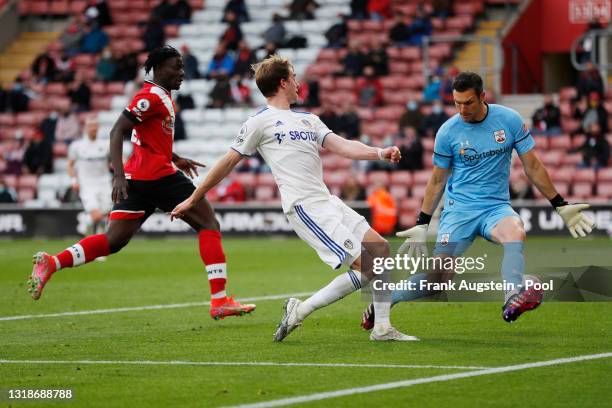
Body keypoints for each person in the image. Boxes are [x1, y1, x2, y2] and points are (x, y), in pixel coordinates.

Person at [171, 55, 415, 342]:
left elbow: (344, 147)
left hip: (327, 200)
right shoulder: (259, 122)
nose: (299, 83)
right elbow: (226, 163)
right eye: (294, 77)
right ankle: (306, 313)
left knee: (381, 250)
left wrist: (379, 152)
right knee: (369, 265)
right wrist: (193, 198)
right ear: (283, 82)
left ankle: (379, 327)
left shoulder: (308, 119)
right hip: (304, 207)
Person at [28, 46, 255, 321]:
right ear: (158, 69)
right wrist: (118, 174)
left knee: (113, 241)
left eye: (183, 67)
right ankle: (219, 300)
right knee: (209, 224)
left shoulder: (161, 96)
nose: (182, 73)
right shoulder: (150, 98)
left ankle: (52, 263)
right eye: (176, 67)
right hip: (156, 177)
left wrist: (175, 158)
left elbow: (146, 137)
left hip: (141, 179)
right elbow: (117, 131)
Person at [360, 72, 595, 330]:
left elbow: (533, 167)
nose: (462, 109)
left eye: (468, 102)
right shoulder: (448, 132)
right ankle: (387, 299)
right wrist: (422, 222)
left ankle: (513, 297)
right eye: (457, 103)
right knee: (436, 281)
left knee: (515, 232)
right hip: (458, 211)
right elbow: (437, 180)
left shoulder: (509, 120)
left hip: (495, 208)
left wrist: (560, 204)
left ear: (483, 96)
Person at [67, 116, 112, 236]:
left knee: (108, 211)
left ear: (98, 128)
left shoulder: (106, 144)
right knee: (96, 215)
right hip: (87, 184)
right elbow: (70, 165)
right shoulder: (77, 146)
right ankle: (88, 223)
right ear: (86, 128)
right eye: (90, 126)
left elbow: (117, 161)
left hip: (104, 182)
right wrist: (73, 181)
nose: (93, 128)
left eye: (95, 126)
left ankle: (86, 221)